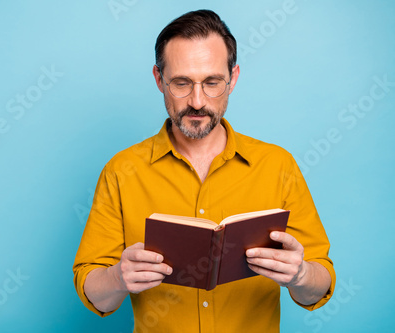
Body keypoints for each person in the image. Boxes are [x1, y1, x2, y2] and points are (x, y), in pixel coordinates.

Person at [73, 9, 335, 332]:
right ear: (159, 79)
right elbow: (94, 294)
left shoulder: (278, 166)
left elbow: (320, 286)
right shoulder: (121, 171)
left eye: (212, 82)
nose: (197, 101)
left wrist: (301, 275)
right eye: (181, 83)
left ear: (233, 79)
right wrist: (116, 278)